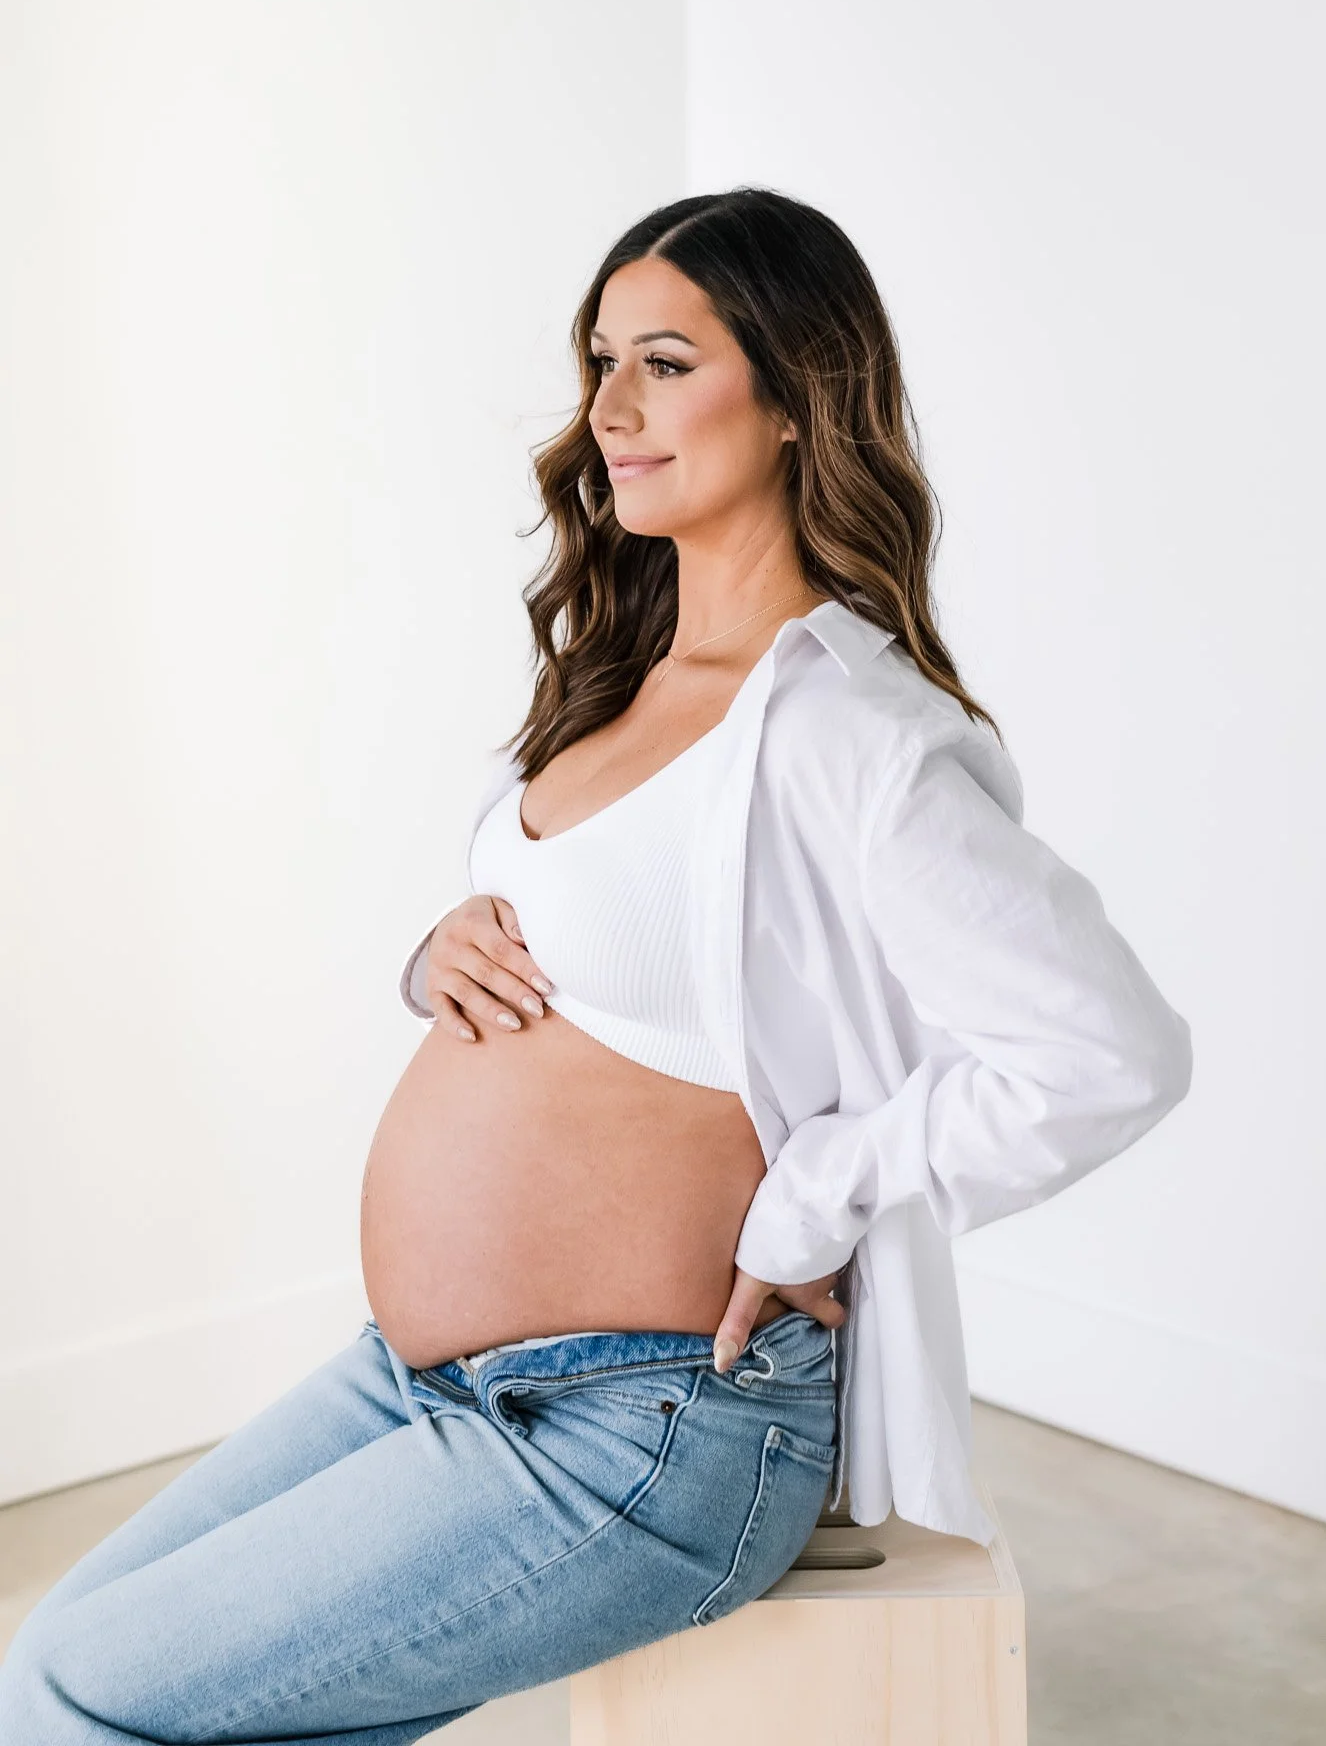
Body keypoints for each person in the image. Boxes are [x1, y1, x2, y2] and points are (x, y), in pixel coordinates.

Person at [0, 186, 1193, 1741]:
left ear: (794, 397)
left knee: (80, 1701)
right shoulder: (626, 673)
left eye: (666, 364)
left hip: (646, 1424)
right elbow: (622, 952)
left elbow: (1107, 1056)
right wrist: (438, 953)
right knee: (58, 1657)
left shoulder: (848, 732)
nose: (609, 409)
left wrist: (822, 1183)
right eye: (598, 361)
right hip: (431, 1381)